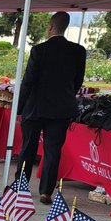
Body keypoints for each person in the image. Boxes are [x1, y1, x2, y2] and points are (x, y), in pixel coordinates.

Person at [16, 11, 87, 203]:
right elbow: (77, 81)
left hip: (36, 107)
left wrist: (19, 108)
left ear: (50, 27)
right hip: (61, 108)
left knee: (28, 147)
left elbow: (28, 81)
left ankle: (20, 186)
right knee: (53, 150)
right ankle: (46, 191)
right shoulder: (78, 51)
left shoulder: (39, 50)